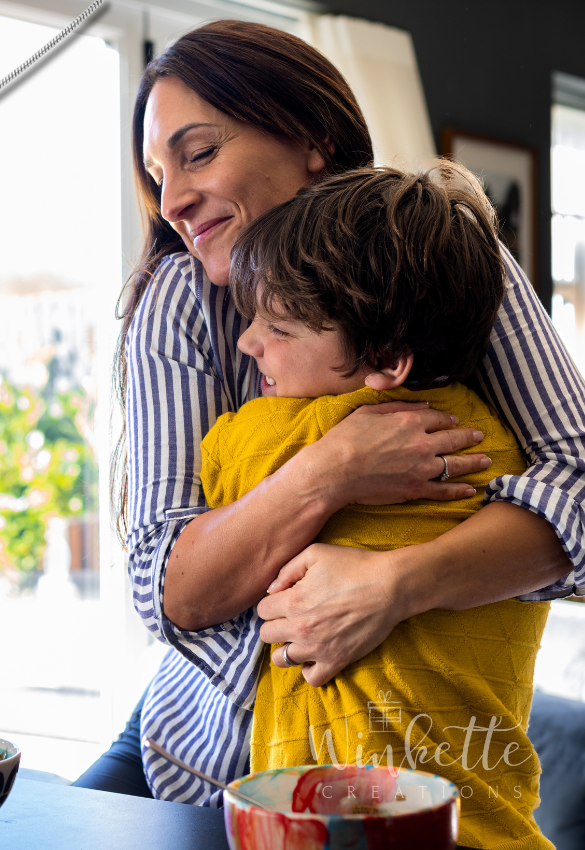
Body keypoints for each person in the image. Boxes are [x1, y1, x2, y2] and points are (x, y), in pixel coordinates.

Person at [72, 20, 584, 809]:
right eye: (156, 172)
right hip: (201, 760)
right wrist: (337, 468)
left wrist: (394, 584)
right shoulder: (178, 303)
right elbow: (165, 588)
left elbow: (578, 490)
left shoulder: (448, 260)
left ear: (311, 137)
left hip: (408, 775)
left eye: (198, 152)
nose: (171, 199)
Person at [199, 162, 550, 849]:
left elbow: (212, 482)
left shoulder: (279, 438)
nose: (249, 343)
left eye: (279, 328)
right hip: (489, 822)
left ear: (388, 362)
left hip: (336, 826)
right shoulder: (505, 452)